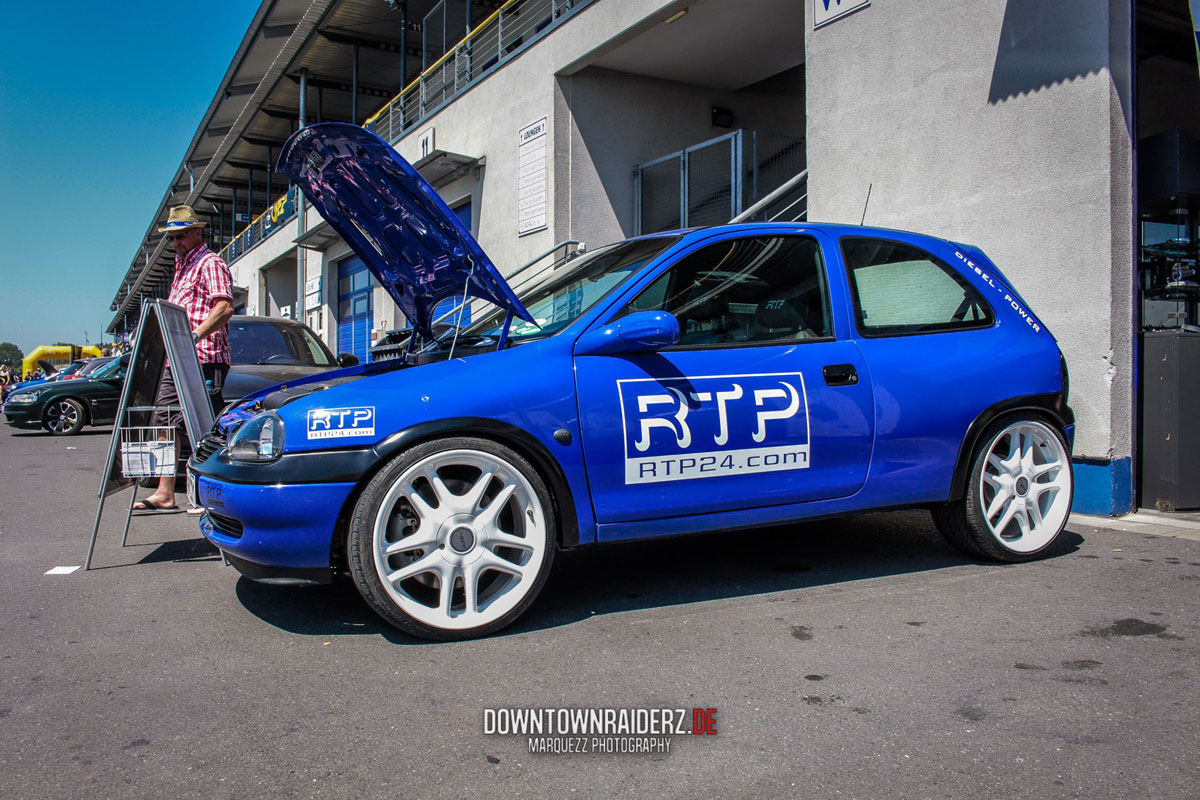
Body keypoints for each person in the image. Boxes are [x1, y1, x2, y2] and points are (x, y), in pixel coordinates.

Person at [134, 205, 234, 513]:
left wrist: (193, 336)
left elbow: (225, 307)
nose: (174, 243)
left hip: (203, 358)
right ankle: (165, 492)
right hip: (174, 360)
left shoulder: (209, 263)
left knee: (203, 428)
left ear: (196, 233)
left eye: (179, 237)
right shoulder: (182, 268)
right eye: (171, 238)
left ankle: (209, 496)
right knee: (163, 420)